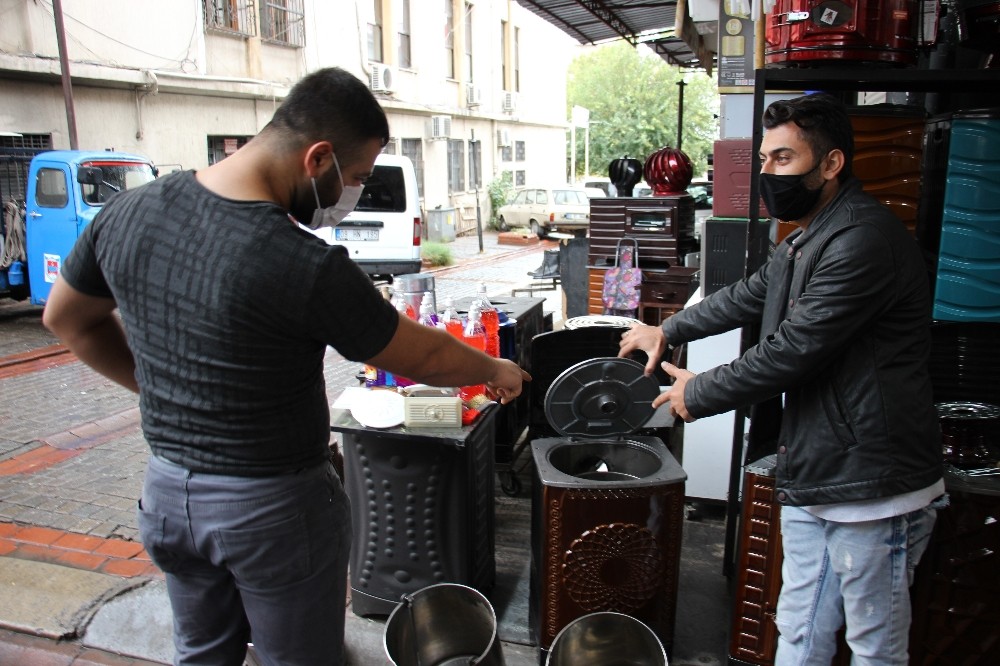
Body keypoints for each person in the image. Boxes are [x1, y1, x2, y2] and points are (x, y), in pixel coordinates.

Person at [42, 67, 530, 666]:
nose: (348, 193)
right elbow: (417, 351)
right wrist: (494, 367)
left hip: (168, 497)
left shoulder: (127, 213)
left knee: (200, 655)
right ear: (317, 158)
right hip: (271, 511)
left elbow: (66, 318)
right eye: (353, 178)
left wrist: (159, 393)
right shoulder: (302, 262)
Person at [619, 93, 944, 664]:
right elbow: (748, 296)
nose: (767, 173)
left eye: (783, 159)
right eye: (765, 159)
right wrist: (668, 330)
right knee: (797, 624)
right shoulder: (805, 236)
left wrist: (702, 389)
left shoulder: (861, 240)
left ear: (832, 163)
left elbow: (794, 351)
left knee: (875, 644)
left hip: (873, 482)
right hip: (818, 465)